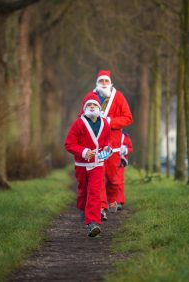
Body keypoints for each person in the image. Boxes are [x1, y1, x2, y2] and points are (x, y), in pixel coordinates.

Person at [80, 70, 133, 218]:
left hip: (113, 146)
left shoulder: (119, 97)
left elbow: (128, 118)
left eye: (106, 81)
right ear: (97, 83)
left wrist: (110, 121)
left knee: (113, 180)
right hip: (95, 146)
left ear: (110, 83)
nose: (103, 84)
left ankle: (111, 200)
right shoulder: (90, 98)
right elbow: (81, 117)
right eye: (101, 81)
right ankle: (101, 208)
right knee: (98, 178)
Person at [65, 96, 111, 237]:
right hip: (82, 164)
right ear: (84, 108)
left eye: (95, 105)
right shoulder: (78, 124)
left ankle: (93, 222)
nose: (92, 107)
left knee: (94, 192)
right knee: (83, 191)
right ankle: (83, 209)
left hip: (97, 164)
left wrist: (106, 150)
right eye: (89, 105)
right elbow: (69, 144)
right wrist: (84, 151)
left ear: (99, 108)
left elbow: (106, 143)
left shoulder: (105, 124)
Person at [116, 133, 133, 210]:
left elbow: (130, 148)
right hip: (108, 161)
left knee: (119, 182)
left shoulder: (125, 137)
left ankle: (119, 201)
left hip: (120, 162)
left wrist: (125, 150)